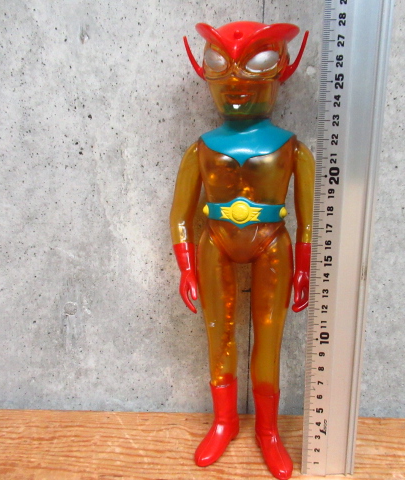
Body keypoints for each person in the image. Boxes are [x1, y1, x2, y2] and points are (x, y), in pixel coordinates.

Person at [170, 21, 314, 480]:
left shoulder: (293, 149)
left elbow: (309, 219)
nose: (236, 84)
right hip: (214, 241)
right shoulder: (201, 149)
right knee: (219, 335)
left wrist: (304, 268)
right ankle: (224, 421)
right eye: (221, 67)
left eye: (256, 65)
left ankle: (268, 431)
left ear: (281, 72)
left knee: (269, 340)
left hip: (273, 243)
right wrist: (186, 266)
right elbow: (180, 215)